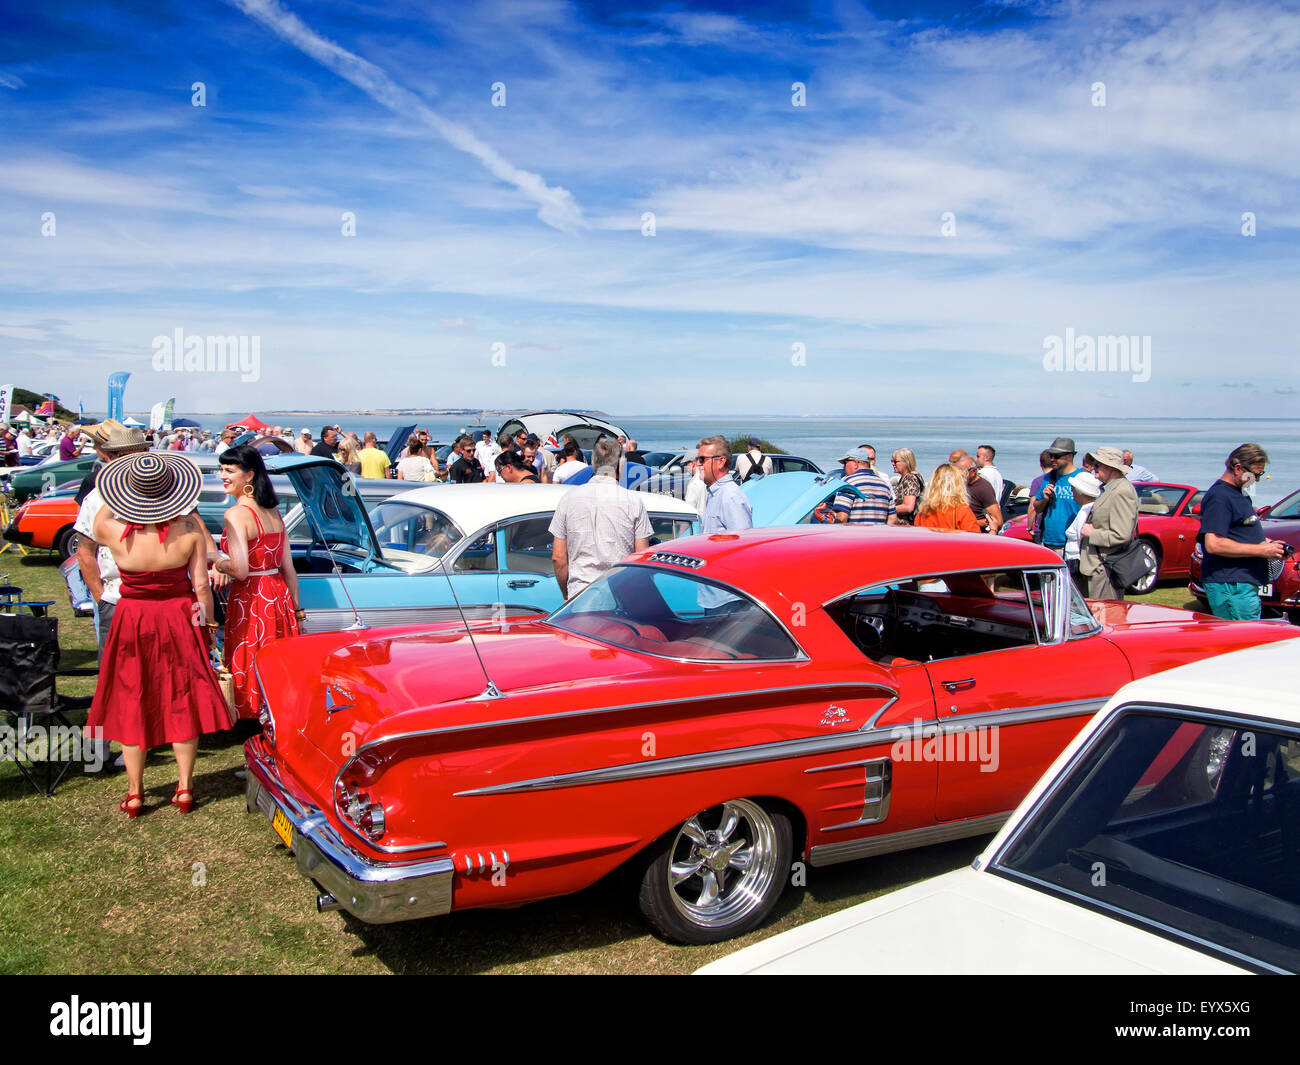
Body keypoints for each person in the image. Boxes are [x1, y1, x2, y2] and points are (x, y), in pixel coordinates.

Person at [86, 452, 230, 816]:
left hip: (132, 617)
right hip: (179, 616)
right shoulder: (190, 531)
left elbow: (101, 514)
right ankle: (184, 788)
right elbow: (200, 587)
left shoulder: (111, 531)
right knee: (182, 696)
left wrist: (116, 484)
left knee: (131, 696)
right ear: (173, 494)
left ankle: (135, 793)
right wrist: (208, 627)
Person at [210, 444, 302, 729]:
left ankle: (258, 737)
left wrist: (215, 559)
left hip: (251, 597)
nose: (222, 476)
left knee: (250, 662)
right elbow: (289, 569)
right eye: (222, 470)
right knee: (275, 667)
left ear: (248, 476)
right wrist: (296, 612)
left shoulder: (237, 515)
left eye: (229, 471)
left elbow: (240, 569)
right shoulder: (273, 512)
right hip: (277, 595)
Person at [549, 437, 652, 599]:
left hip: (580, 593)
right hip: (620, 593)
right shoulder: (633, 501)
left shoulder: (568, 499)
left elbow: (558, 558)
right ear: (621, 465)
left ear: (593, 463)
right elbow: (641, 557)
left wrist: (566, 595)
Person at [1199, 443, 1287, 620]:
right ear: (1238, 468)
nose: (1258, 479)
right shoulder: (1220, 497)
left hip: (1243, 583)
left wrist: (1269, 544)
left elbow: (1241, 532)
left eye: (1260, 474)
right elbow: (1214, 544)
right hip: (1230, 584)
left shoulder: (1240, 494)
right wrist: (1262, 550)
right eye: (1255, 474)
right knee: (1242, 638)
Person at [1078, 447, 1140, 600]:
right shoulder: (1110, 488)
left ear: (1111, 467)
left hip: (1105, 569)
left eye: (1098, 464)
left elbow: (1122, 535)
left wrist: (1092, 533)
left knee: (1105, 618)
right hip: (1095, 567)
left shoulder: (1122, 491)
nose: (1093, 468)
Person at [1026, 437, 1083, 556]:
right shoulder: (1049, 477)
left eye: (1056, 456)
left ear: (1069, 456)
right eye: (1051, 455)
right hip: (1048, 541)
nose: (1052, 459)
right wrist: (1044, 499)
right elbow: (1037, 508)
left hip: (1073, 543)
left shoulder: (1082, 478)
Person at [698, 435, 751, 532]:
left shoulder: (730, 496)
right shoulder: (715, 493)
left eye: (702, 459)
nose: (698, 463)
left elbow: (742, 541)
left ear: (721, 462)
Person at [833, 447, 897, 525]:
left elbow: (842, 517)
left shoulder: (848, 483)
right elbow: (893, 518)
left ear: (855, 463)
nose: (843, 467)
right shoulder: (884, 485)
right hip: (878, 535)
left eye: (845, 463)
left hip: (853, 535)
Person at [1063, 470, 1102, 590]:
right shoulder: (1085, 509)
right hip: (1074, 561)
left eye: (1073, 488)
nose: (1071, 491)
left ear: (1081, 492)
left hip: (1077, 563)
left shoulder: (1087, 511)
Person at [916, 464, 981, 533]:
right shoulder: (961, 511)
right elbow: (975, 540)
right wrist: (993, 530)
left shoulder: (922, 513)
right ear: (958, 484)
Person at [957, 456, 1002, 533]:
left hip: (975, 536)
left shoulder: (983, 488)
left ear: (973, 471)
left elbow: (998, 521)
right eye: (956, 471)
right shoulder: (959, 484)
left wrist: (968, 522)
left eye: (962, 472)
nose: (958, 475)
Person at [890, 449, 924, 526]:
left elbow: (908, 507)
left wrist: (888, 509)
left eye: (895, 461)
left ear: (906, 462)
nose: (893, 464)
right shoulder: (905, 477)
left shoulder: (910, 478)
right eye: (892, 461)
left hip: (907, 525)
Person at [682, 449, 708, 515]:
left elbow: (689, 507)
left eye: (685, 464)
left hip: (697, 521)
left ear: (692, 463)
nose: (685, 466)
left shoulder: (694, 482)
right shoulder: (708, 478)